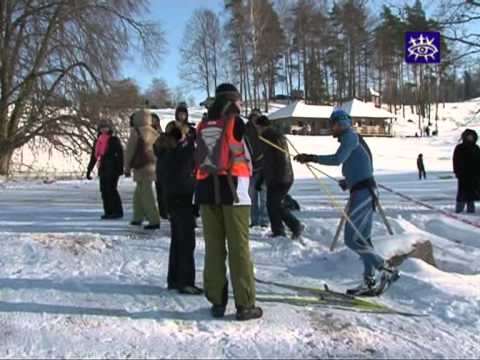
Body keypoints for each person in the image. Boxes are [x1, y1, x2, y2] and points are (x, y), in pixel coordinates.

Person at [294, 109, 398, 296]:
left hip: (363, 193)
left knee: (352, 239)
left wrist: (312, 157)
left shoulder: (350, 137)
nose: (333, 128)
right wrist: (349, 181)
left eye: (334, 124)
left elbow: (338, 159)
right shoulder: (353, 138)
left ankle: (385, 268)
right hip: (363, 190)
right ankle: (369, 280)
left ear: (340, 124)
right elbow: (364, 163)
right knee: (363, 239)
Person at [195, 83, 262, 321]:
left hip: (205, 191)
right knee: (238, 249)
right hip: (234, 192)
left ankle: (217, 302)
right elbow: (257, 154)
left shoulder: (203, 124)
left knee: (213, 249)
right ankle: (244, 305)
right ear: (234, 101)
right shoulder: (238, 123)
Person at [162, 121, 203, 295]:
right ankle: (185, 282)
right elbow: (187, 178)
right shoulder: (182, 153)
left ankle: (174, 279)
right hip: (182, 200)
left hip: (174, 200)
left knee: (178, 241)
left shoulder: (167, 151)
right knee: (186, 242)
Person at [255, 115, 303, 239]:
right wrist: (262, 178)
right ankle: (279, 230)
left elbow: (272, 160)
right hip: (283, 176)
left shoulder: (268, 137)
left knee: (274, 205)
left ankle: (294, 225)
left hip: (278, 178)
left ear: (261, 126)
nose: (257, 130)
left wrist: (269, 178)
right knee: (273, 204)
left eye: (257, 127)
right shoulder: (276, 135)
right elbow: (268, 161)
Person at [124, 109, 161, 230]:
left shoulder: (136, 132)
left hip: (140, 165)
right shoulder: (153, 132)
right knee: (139, 192)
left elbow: (129, 151)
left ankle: (154, 220)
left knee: (146, 194)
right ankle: (137, 217)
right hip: (152, 164)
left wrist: (127, 166)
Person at [86, 123, 124, 220]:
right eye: (102, 128)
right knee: (104, 190)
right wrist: (89, 170)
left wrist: (120, 168)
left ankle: (117, 211)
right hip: (102, 167)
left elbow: (120, 154)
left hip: (113, 167)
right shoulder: (97, 141)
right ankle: (108, 211)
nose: (103, 130)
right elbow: (94, 157)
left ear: (109, 129)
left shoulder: (113, 140)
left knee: (111, 189)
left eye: (105, 128)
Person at [244, 108, 268, 228]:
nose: (255, 119)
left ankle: (264, 219)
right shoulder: (245, 130)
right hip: (251, 167)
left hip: (264, 166)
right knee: (252, 195)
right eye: (253, 117)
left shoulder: (264, 129)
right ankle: (254, 219)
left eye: (257, 117)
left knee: (264, 195)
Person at [453, 129, 480, 214]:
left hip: (475, 176)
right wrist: (457, 172)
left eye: (472, 136)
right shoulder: (459, 148)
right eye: (469, 136)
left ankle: (471, 212)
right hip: (463, 175)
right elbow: (455, 161)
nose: (470, 138)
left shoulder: (476, 148)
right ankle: (458, 211)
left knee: (471, 195)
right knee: (462, 194)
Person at [151, 114, 169, 220]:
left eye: (155, 120)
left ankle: (166, 210)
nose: (153, 122)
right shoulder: (145, 133)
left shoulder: (162, 134)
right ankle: (162, 211)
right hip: (151, 164)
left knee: (164, 188)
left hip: (162, 163)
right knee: (159, 189)